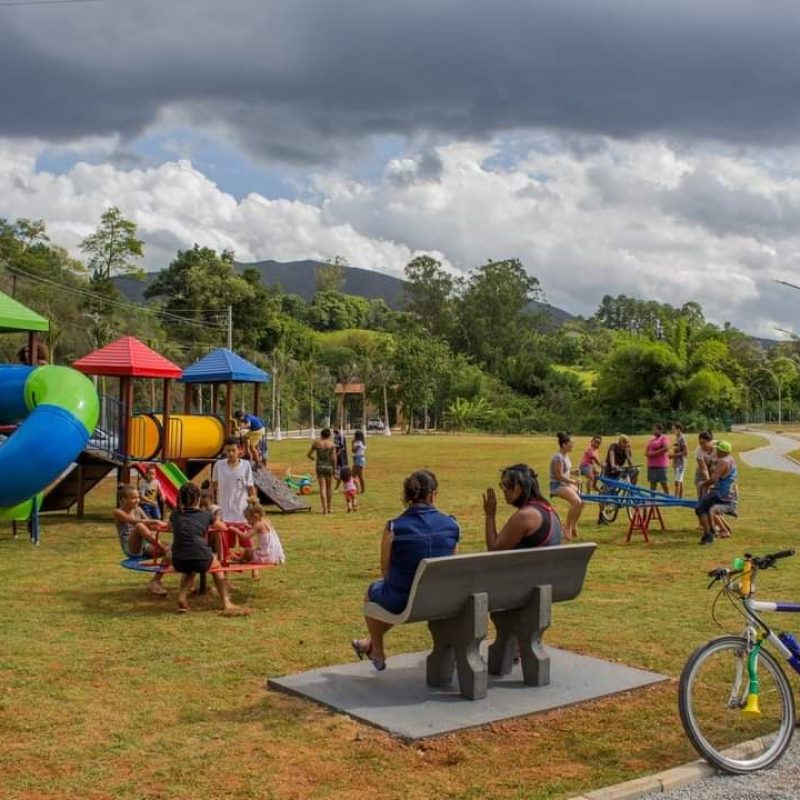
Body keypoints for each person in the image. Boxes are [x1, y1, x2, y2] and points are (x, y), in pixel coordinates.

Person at [351, 470, 459, 670]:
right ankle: (369, 643)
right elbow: (453, 562)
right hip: (443, 598)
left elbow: (385, 571)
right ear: (432, 494)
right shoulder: (452, 524)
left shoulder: (394, 527)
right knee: (399, 594)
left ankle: (377, 650)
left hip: (404, 599)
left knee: (374, 593)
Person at [171, 482, 248, 615]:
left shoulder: (175, 515)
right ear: (198, 499)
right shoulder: (205, 515)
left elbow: (170, 526)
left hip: (178, 559)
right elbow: (222, 527)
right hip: (200, 556)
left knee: (190, 570)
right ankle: (226, 602)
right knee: (217, 568)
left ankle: (182, 597)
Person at [483, 464, 564, 550]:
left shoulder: (525, 516)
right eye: (503, 485)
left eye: (509, 485)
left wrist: (490, 515)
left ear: (523, 485)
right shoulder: (546, 508)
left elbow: (494, 550)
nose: (505, 491)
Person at [113, 485, 170, 596]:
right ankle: (163, 548)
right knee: (139, 525)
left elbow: (150, 524)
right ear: (123, 499)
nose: (137, 500)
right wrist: (156, 521)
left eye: (138, 498)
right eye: (133, 498)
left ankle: (156, 581)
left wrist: (167, 526)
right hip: (131, 547)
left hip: (144, 545)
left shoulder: (138, 509)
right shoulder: (118, 512)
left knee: (172, 550)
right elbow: (136, 522)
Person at [696, 440, 738, 546]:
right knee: (709, 509)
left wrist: (704, 484)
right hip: (728, 493)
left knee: (701, 509)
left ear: (722, 451)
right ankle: (714, 530)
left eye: (718, 449)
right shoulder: (731, 459)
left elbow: (713, 479)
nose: (716, 450)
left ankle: (708, 535)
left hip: (721, 493)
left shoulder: (723, 461)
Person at [211, 437, 256, 524]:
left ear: (239, 450)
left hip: (241, 512)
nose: (230, 454)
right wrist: (211, 505)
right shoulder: (218, 465)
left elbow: (250, 487)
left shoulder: (246, 466)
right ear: (224, 451)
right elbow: (213, 486)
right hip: (223, 512)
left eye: (233, 450)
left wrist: (254, 506)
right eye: (228, 451)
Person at [549, 432, 583, 540]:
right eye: (570, 444)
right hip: (557, 486)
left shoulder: (565, 456)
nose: (572, 446)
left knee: (583, 501)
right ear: (564, 444)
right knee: (576, 501)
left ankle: (573, 524)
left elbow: (565, 472)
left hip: (565, 484)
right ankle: (566, 527)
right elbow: (558, 476)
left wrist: (574, 472)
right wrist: (573, 481)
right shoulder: (558, 458)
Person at [240, 499, 285, 565]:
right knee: (254, 549)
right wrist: (249, 527)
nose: (248, 522)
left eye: (248, 519)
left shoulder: (258, 524)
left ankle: (239, 560)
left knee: (247, 551)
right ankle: (241, 558)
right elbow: (259, 530)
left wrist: (234, 529)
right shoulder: (266, 521)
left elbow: (245, 537)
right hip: (277, 555)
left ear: (255, 516)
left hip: (268, 557)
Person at [307, 428, 336, 514]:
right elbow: (334, 459)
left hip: (319, 467)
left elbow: (309, 454)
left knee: (322, 489)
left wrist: (312, 458)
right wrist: (334, 469)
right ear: (329, 435)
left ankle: (325, 510)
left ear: (321, 435)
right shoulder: (332, 444)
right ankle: (330, 508)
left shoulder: (316, 443)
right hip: (329, 467)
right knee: (329, 488)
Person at [645, 423, 671, 494]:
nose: (653, 431)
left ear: (660, 430)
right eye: (653, 430)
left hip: (661, 465)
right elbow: (646, 452)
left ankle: (668, 497)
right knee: (652, 483)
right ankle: (652, 500)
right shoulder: (651, 440)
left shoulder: (664, 438)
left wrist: (654, 453)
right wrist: (648, 454)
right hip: (651, 465)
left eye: (655, 430)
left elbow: (666, 448)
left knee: (663, 482)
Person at [671, 422, 689, 498]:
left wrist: (674, 455)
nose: (673, 431)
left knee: (677, 481)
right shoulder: (677, 438)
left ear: (679, 429)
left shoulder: (682, 438)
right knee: (680, 480)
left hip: (681, 463)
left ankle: (675, 498)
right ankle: (680, 496)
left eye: (674, 429)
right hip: (677, 462)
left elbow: (685, 452)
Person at [332, 424, 348, 489]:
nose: (333, 429)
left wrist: (336, 455)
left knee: (342, 472)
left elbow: (342, 448)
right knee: (338, 472)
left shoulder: (341, 436)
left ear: (338, 428)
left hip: (342, 457)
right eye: (333, 428)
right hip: (337, 456)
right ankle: (337, 488)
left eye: (334, 428)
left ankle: (347, 486)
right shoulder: (335, 436)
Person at [352, 429, 366, 494]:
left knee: (354, 475)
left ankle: (358, 489)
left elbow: (354, 450)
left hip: (358, 459)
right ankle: (359, 489)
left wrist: (352, 444)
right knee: (357, 475)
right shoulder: (362, 442)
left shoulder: (358, 443)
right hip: (359, 458)